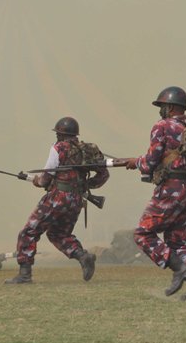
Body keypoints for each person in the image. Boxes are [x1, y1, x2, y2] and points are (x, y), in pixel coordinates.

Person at [125, 86, 186, 299]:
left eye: (162, 106)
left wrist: (134, 162)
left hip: (170, 190)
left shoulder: (162, 126)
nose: (160, 111)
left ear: (171, 106)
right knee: (177, 242)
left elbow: (149, 164)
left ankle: (179, 268)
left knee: (143, 234)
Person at [6, 117, 109, 284]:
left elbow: (45, 179)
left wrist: (36, 181)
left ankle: (24, 274)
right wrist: (84, 186)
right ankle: (83, 256)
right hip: (76, 200)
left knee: (29, 232)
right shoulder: (89, 150)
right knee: (58, 234)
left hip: (57, 197)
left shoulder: (58, 148)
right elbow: (104, 175)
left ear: (60, 134)